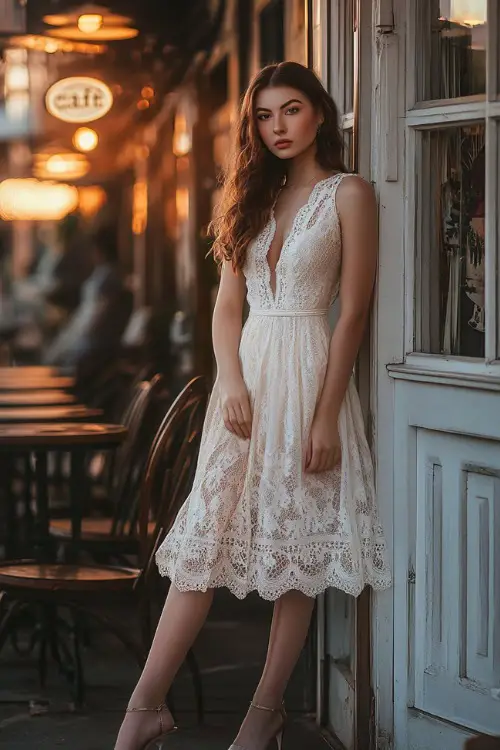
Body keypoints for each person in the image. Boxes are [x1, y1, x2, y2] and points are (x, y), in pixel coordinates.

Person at [114, 61, 391, 750]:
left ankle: (263, 716)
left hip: (307, 376)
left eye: (291, 111)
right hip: (245, 386)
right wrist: (229, 381)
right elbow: (225, 307)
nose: (277, 128)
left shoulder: (349, 195)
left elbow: (352, 314)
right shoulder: (249, 196)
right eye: (264, 117)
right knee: (203, 540)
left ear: (319, 113)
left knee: (294, 546)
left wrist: (327, 414)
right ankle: (142, 707)